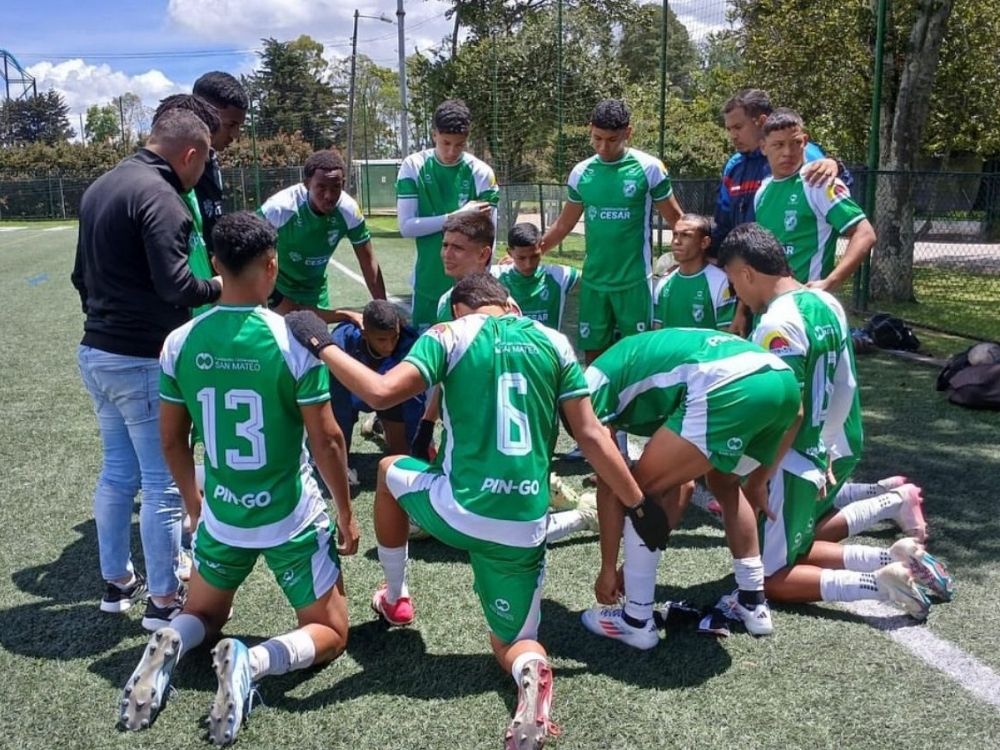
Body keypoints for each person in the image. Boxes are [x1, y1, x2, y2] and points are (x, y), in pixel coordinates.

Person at [284, 273, 660, 749]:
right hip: (524, 524)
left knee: (386, 471)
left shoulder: (449, 334)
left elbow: (380, 393)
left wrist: (318, 341)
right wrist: (637, 503)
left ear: (460, 310)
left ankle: (396, 597)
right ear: (507, 302)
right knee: (511, 644)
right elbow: (590, 435)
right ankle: (532, 668)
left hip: (458, 512)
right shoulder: (555, 342)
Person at [119, 212, 359, 745]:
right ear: (272, 266)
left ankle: (174, 641)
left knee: (203, 614)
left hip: (223, 513)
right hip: (289, 514)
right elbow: (328, 440)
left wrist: (194, 502)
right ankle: (254, 662)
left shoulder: (180, 341)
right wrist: (345, 511)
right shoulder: (293, 339)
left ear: (215, 265)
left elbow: (171, 439)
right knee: (331, 630)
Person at [717, 223, 951, 618]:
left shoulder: (775, 325)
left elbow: (787, 410)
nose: (736, 295)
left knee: (767, 576)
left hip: (793, 459)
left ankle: (878, 583)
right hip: (831, 443)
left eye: (733, 284)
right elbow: (846, 382)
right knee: (798, 540)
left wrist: (759, 477)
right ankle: (896, 557)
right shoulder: (825, 302)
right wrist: (827, 445)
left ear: (746, 273)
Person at [71, 108, 221, 629]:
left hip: (96, 350)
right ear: (191, 154)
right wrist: (220, 288)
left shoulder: (100, 187)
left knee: (117, 472)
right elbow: (178, 286)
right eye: (203, 164)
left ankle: (117, 582)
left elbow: (78, 277)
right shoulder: (164, 197)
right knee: (160, 481)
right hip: (140, 358)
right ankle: (162, 599)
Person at [580, 327, 801, 647]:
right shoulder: (628, 368)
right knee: (724, 482)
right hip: (782, 383)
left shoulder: (587, 392)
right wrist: (758, 481)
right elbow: (798, 413)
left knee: (637, 490)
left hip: (728, 384)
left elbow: (613, 486)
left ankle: (636, 621)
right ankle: (752, 601)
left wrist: (608, 570)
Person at [539, 99, 683, 365]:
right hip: (594, 283)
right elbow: (564, 225)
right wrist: (533, 251)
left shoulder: (649, 168)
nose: (603, 146)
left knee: (638, 356)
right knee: (594, 357)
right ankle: (598, 406)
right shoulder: (581, 172)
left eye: (612, 139)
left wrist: (694, 258)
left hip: (635, 282)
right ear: (590, 130)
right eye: (597, 138)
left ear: (628, 132)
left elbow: (677, 220)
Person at [396, 99, 500, 331]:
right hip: (427, 283)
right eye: (446, 143)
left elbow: (488, 239)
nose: (452, 151)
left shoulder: (481, 173)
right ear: (434, 135)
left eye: (459, 145)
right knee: (428, 360)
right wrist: (456, 216)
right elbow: (406, 226)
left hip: (471, 290)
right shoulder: (412, 166)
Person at [754, 108, 876, 290]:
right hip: (770, 306)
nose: (787, 152)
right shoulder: (762, 191)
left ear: (804, 141)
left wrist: (831, 281)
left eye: (795, 143)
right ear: (763, 147)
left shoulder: (818, 183)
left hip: (806, 306)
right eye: (778, 145)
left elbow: (865, 233)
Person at [711, 89, 845, 253]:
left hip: (793, 268)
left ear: (762, 121)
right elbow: (722, 222)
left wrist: (836, 166)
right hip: (743, 271)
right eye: (729, 129)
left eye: (738, 127)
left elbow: (837, 193)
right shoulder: (734, 165)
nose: (733, 135)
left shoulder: (802, 153)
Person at [259, 149, 386, 321]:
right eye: (321, 187)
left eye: (336, 187)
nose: (329, 195)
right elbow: (250, 255)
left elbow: (368, 260)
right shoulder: (279, 209)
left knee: (315, 344)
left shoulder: (349, 211)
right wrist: (270, 296)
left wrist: (384, 308)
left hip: (315, 292)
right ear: (306, 184)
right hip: (276, 289)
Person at [328, 299, 425, 463]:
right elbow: (334, 397)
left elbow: (414, 403)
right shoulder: (342, 342)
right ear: (365, 333)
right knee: (337, 456)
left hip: (392, 397)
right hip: (348, 394)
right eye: (381, 340)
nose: (389, 346)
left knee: (403, 457)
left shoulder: (410, 345)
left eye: (394, 337)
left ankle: (379, 423)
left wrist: (418, 439)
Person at [192, 71, 249, 255]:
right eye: (230, 125)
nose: (235, 135)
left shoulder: (212, 162)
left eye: (239, 126)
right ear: (202, 115)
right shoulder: (175, 171)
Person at [651, 213, 735, 330]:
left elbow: (726, 335)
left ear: (704, 242)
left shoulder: (720, 282)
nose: (676, 241)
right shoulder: (663, 282)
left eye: (686, 235)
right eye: (675, 234)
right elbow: (657, 330)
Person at [493, 222, 581, 331]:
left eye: (534, 256)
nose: (528, 264)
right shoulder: (494, 278)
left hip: (545, 347)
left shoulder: (559, 276)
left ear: (541, 248)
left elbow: (595, 278)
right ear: (510, 253)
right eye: (521, 258)